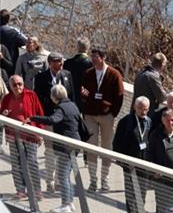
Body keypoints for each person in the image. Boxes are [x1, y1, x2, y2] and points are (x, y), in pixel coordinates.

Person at [28, 84, 81, 213]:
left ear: (54, 97)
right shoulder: (72, 105)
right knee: (66, 175)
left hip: (66, 146)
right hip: (75, 144)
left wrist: (33, 118)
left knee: (62, 176)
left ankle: (65, 205)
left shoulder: (61, 108)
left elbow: (53, 119)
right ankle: (69, 202)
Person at [79, 46, 124, 191]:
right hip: (90, 115)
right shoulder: (87, 73)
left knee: (106, 148)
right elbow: (83, 92)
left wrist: (112, 114)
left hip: (106, 116)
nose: (92, 59)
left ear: (103, 57)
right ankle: (93, 180)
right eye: (92, 57)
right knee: (91, 147)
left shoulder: (114, 74)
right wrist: (84, 96)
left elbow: (119, 96)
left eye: (95, 57)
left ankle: (105, 179)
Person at [34, 51, 74, 192]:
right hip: (50, 119)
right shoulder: (40, 78)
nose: (61, 63)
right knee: (50, 152)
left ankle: (59, 181)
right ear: (50, 63)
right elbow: (38, 100)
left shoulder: (67, 75)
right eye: (57, 61)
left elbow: (72, 98)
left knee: (63, 152)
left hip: (64, 122)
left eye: (61, 61)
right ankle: (49, 181)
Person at [112, 96, 152, 213]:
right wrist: (121, 160)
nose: (143, 111)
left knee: (142, 193)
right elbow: (117, 143)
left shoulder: (149, 121)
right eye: (140, 108)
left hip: (145, 164)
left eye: (146, 109)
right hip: (130, 163)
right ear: (135, 107)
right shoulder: (125, 122)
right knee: (131, 193)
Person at [1, 74, 43, 200]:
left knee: (32, 162)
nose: (18, 87)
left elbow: (40, 114)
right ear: (10, 86)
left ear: (23, 84)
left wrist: (40, 133)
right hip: (13, 136)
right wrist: (3, 114)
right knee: (16, 163)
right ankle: (20, 190)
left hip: (30, 136)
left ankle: (37, 190)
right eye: (14, 85)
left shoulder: (31, 95)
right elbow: (1, 116)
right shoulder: (7, 98)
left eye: (20, 84)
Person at [63, 37, 92, 104]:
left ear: (77, 47)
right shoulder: (91, 64)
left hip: (69, 96)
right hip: (85, 97)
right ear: (88, 48)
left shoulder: (67, 63)